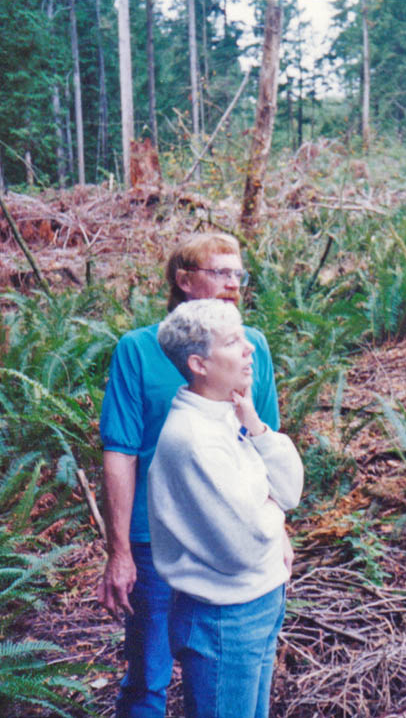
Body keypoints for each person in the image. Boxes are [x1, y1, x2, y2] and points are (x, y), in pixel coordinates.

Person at [98, 232, 282, 718]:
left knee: (228, 674)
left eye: (238, 274)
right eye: (220, 273)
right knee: (148, 680)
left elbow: (265, 442)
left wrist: (279, 528)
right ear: (183, 280)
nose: (233, 284)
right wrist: (118, 550)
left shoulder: (250, 347)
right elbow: (120, 451)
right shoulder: (138, 350)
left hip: (229, 535)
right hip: (154, 539)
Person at [149, 299, 303, 718]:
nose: (250, 347)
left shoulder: (230, 414)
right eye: (234, 341)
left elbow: (290, 489)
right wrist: (274, 512)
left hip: (261, 599)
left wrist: (255, 424)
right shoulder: (194, 439)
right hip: (224, 618)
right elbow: (243, 546)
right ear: (199, 363)